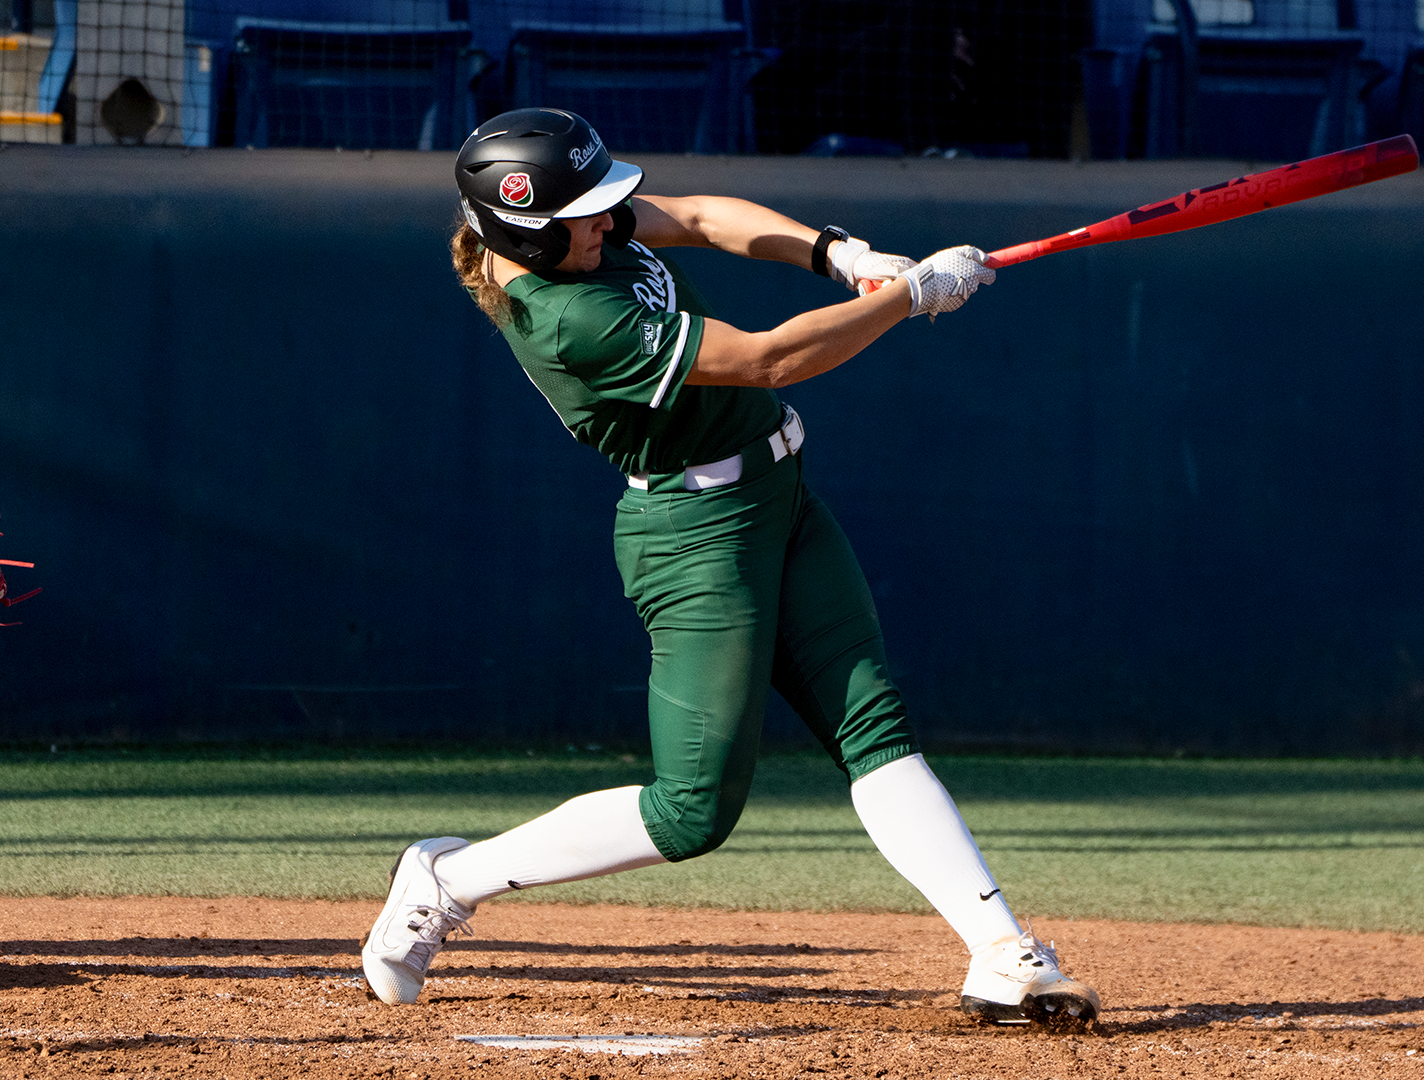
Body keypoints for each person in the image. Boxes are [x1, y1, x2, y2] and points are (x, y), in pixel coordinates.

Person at [358, 107, 1099, 1030]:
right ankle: (449, 877)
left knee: (872, 723)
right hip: (695, 533)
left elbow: (703, 217)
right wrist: (907, 298)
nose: (608, 220)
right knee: (692, 813)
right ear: (525, 228)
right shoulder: (569, 313)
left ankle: (1003, 954)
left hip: (781, 496)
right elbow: (767, 359)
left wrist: (841, 256)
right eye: (585, 213)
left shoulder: (571, 237)